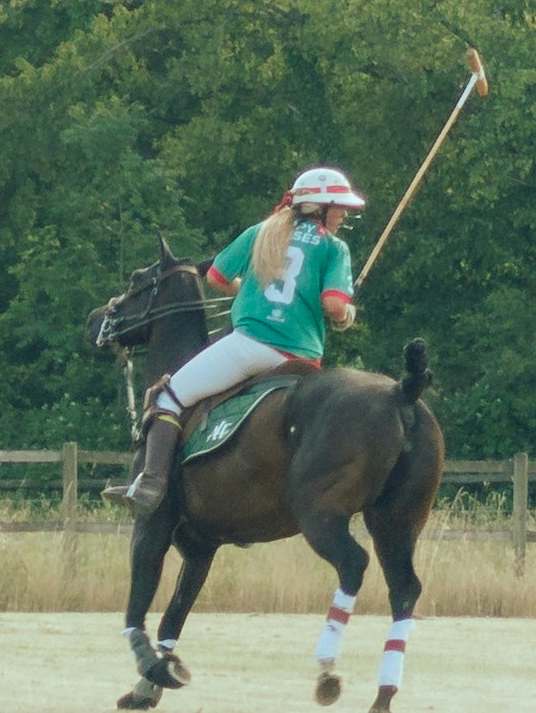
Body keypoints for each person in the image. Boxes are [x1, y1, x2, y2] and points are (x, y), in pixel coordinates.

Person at [124, 164, 366, 509]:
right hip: (301, 360)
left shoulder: (261, 233)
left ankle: (150, 486)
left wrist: (247, 292)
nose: (343, 215)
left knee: (168, 397)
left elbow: (217, 277)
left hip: (250, 347)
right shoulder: (335, 248)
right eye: (339, 207)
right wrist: (347, 313)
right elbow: (334, 306)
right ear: (319, 207)